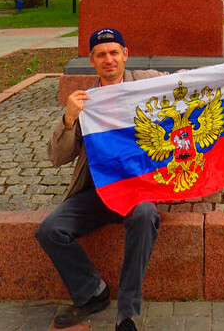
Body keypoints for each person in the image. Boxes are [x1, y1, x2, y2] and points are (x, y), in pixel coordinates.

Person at [36, 28, 165, 331]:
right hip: (97, 193)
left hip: (136, 192)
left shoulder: (146, 83)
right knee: (50, 230)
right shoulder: (84, 102)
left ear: (125, 55)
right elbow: (56, 156)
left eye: (114, 52)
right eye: (101, 55)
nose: (109, 59)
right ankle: (93, 292)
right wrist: (69, 119)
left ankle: (128, 313)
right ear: (92, 62)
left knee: (146, 215)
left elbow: (187, 84)